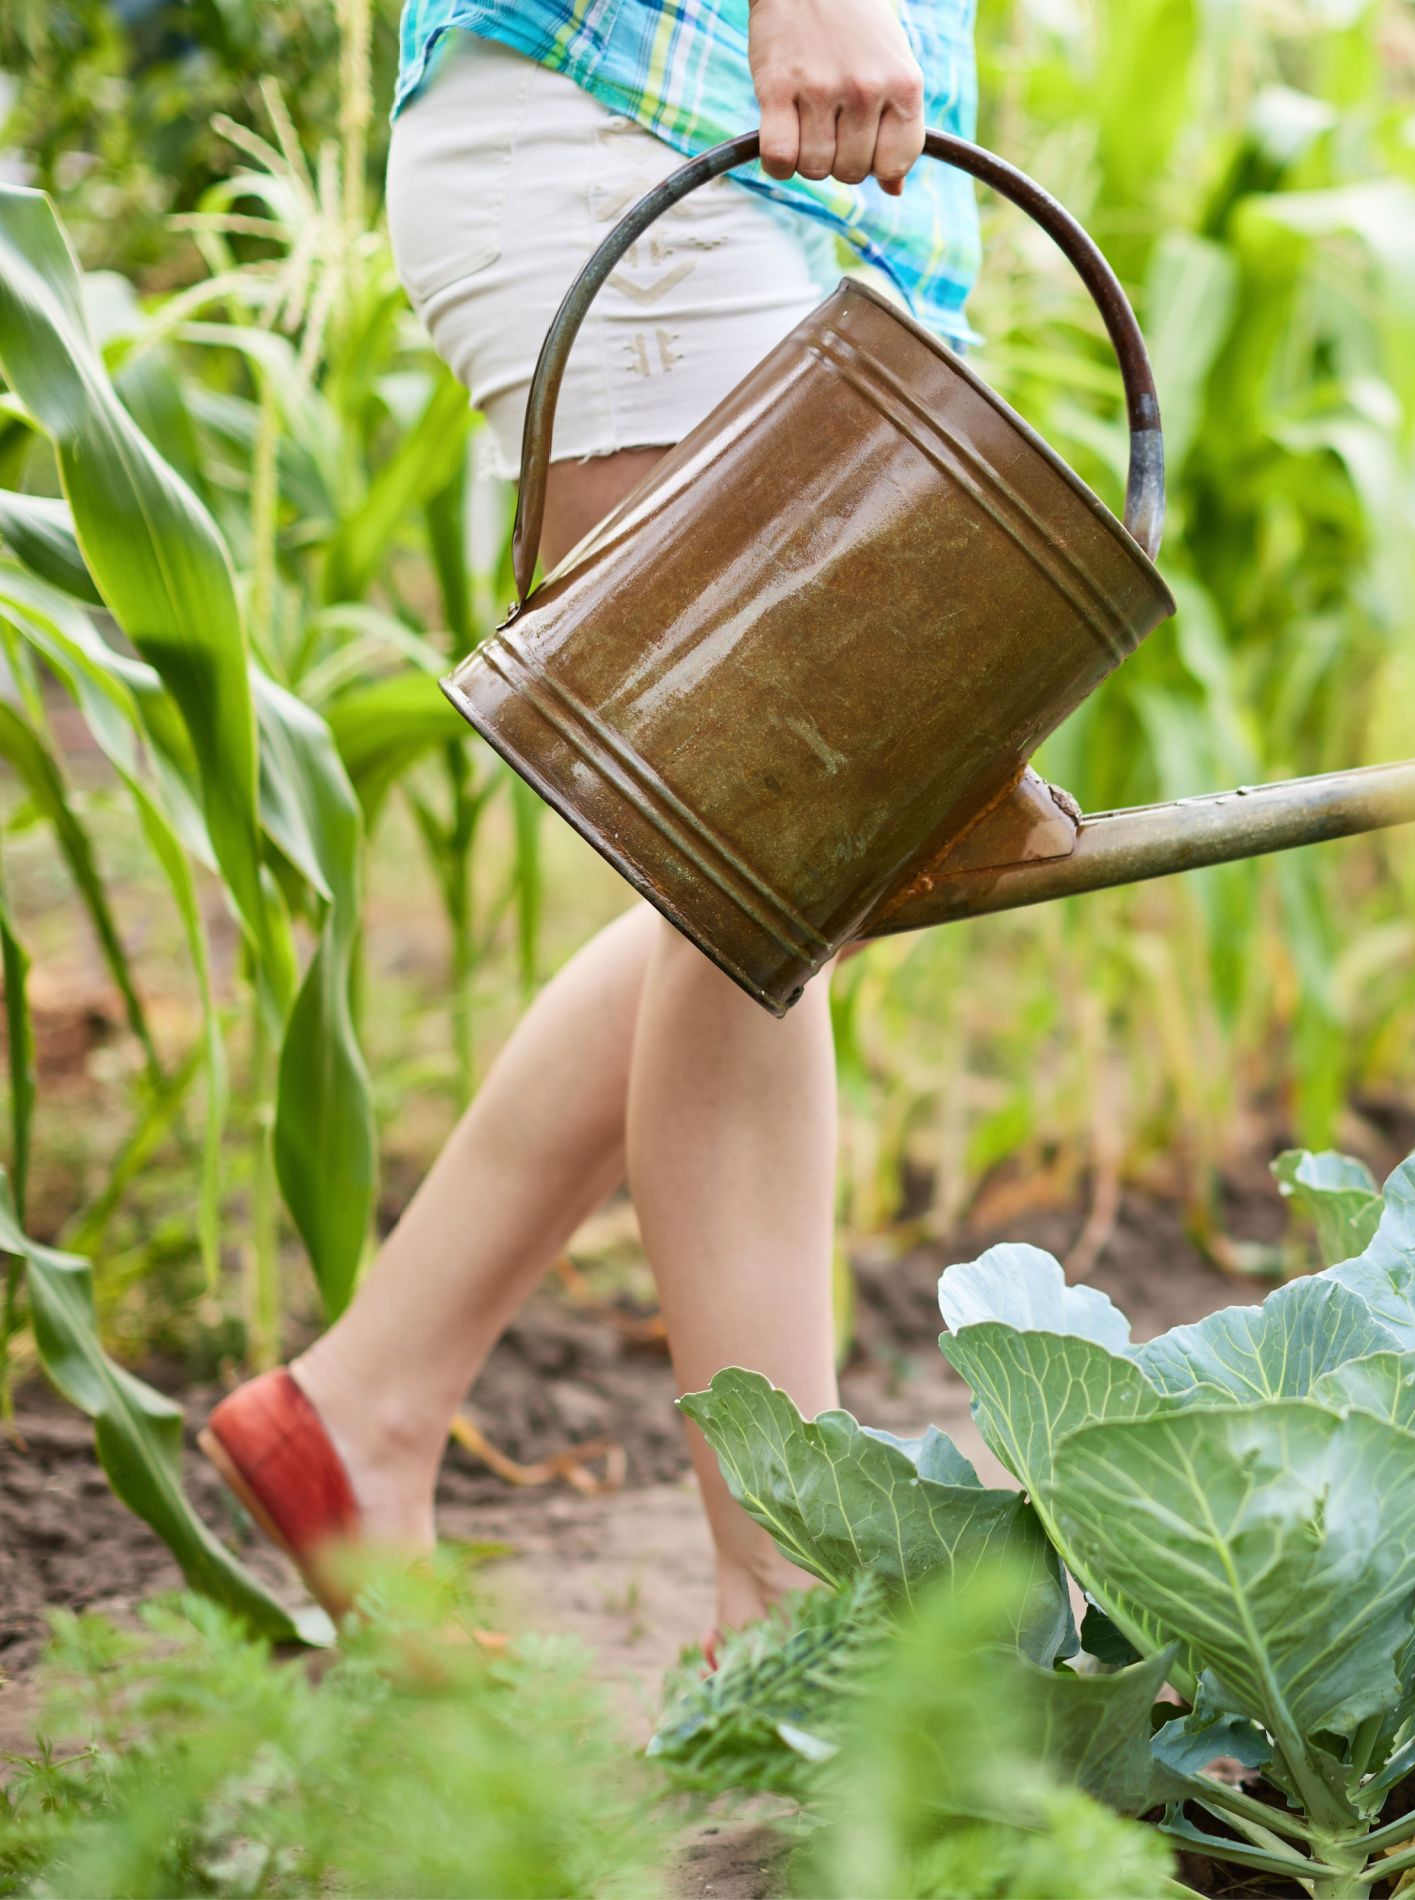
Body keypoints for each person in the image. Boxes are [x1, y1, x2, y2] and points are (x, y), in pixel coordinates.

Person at [195, 0, 979, 1649]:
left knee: (772, 875)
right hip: (642, 125)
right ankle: (779, 1592)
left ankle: (366, 1408)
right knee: (765, 859)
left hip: (777, 184)